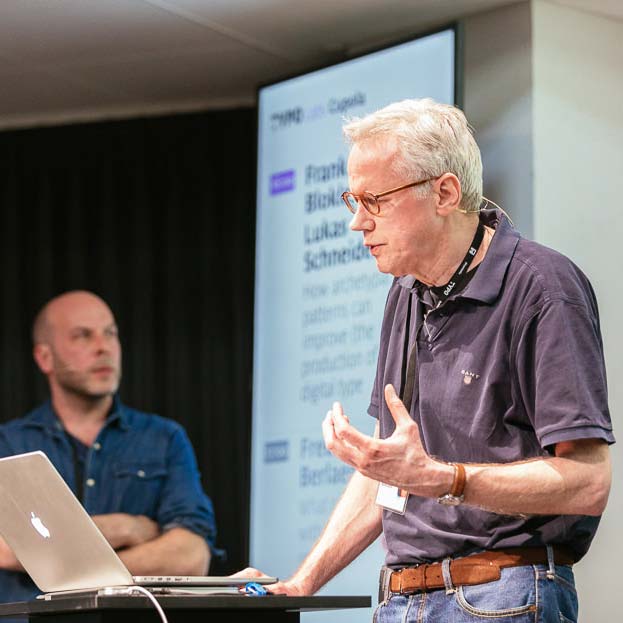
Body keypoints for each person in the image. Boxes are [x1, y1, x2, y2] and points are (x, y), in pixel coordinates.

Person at [239, 99, 614, 622]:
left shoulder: (543, 287)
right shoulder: (406, 294)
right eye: (353, 199)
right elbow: (391, 475)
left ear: (444, 192)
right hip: (401, 600)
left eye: (374, 200)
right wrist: (300, 584)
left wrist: (446, 479)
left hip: (500, 596)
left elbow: (588, 482)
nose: (356, 223)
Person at [0, 290, 218, 606]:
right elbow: (4, 549)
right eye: (82, 336)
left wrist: (61, 561)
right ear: (44, 357)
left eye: (110, 333)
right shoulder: (8, 444)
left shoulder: (164, 438)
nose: (103, 348)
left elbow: (191, 555)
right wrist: (126, 527)